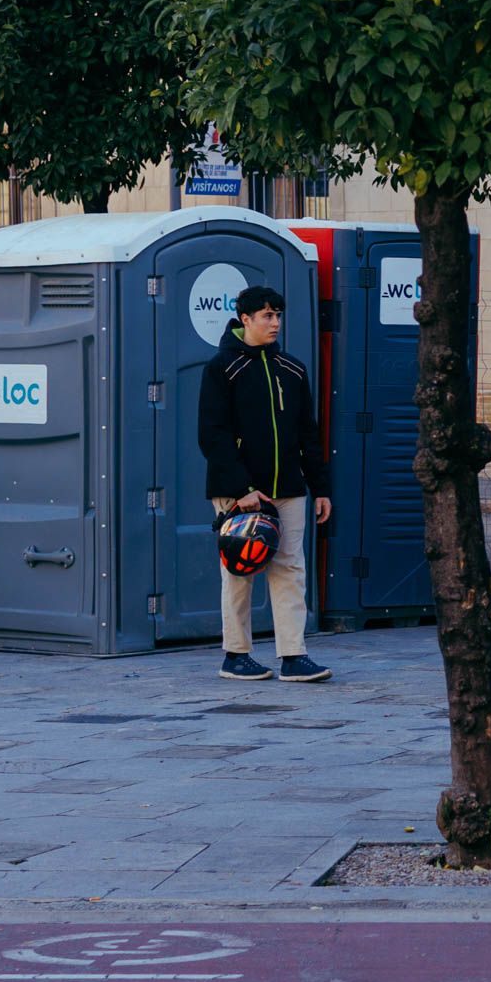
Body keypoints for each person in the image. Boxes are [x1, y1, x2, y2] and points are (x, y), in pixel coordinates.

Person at [198, 284, 333, 683]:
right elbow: (212, 434)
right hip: (238, 492)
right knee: (240, 571)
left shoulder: (292, 369)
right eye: (266, 316)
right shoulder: (221, 367)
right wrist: (241, 489)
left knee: (290, 567)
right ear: (245, 320)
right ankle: (236, 655)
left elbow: (308, 433)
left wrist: (320, 487)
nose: (275, 323)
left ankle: (294, 655)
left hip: (289, 488)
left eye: (278, 315)